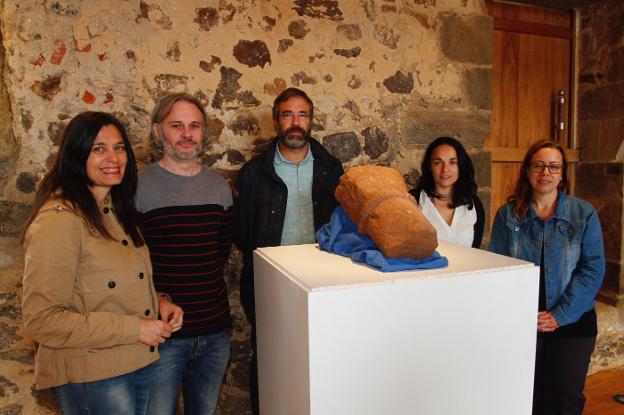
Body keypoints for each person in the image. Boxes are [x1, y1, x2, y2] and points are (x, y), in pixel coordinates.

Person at [21, 112, 182, 415]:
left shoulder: (116, 211)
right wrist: (135, 329)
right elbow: (43, 320)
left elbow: (110, 286)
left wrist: (159, 302)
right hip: (95, 376)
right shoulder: (59, 222)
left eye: (119, 147)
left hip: (139, 362)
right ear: (76, 154)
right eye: (98, 149)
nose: (113, 157)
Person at [233, 87, 344, 413]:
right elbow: (242, 233)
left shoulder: (331, 168)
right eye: (288, 114)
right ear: (276, 120)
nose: (296, 122)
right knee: (269, 359)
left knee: (322, 358)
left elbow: (344, 224)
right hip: (270, 285)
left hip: (322, 282)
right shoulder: (254, 173)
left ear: (311, 121)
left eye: (303, 115)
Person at [489, 140, 605, 415]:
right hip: (523, 321)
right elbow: (500, 268)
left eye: (554, 166)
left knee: (564, 400)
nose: (546, 172)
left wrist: (559, 315)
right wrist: (520, 314)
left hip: (572, 321)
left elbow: (593, 269)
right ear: (527, 171)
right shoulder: (507, 215)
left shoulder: (583, 213)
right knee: (525, 397)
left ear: (563, 173)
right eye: (538, 165)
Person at [136, 93, 233, 415]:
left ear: (204, 132)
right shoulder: (137, 188)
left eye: (195, 126)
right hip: (163, 335)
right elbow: (130, 264)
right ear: (157, 131)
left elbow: (220, 252)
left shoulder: (219, 188)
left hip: (215, 332)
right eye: (176, 125)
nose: (187, 134)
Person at [409, 136, 484, 247]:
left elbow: (476, 252)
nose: (445, 169)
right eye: (438, 162)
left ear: (461, 166)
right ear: (429, 166)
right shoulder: (412, 201)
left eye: (452, 162)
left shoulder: (474, 205)